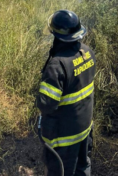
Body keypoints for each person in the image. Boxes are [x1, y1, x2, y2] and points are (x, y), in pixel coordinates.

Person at [36, 10, 96, 176]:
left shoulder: (57, 66)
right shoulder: (88, 53)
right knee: (83, 167)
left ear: (57, 36)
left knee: (59, 171)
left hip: (64, 137)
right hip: (85, 128)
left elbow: (47, 104)